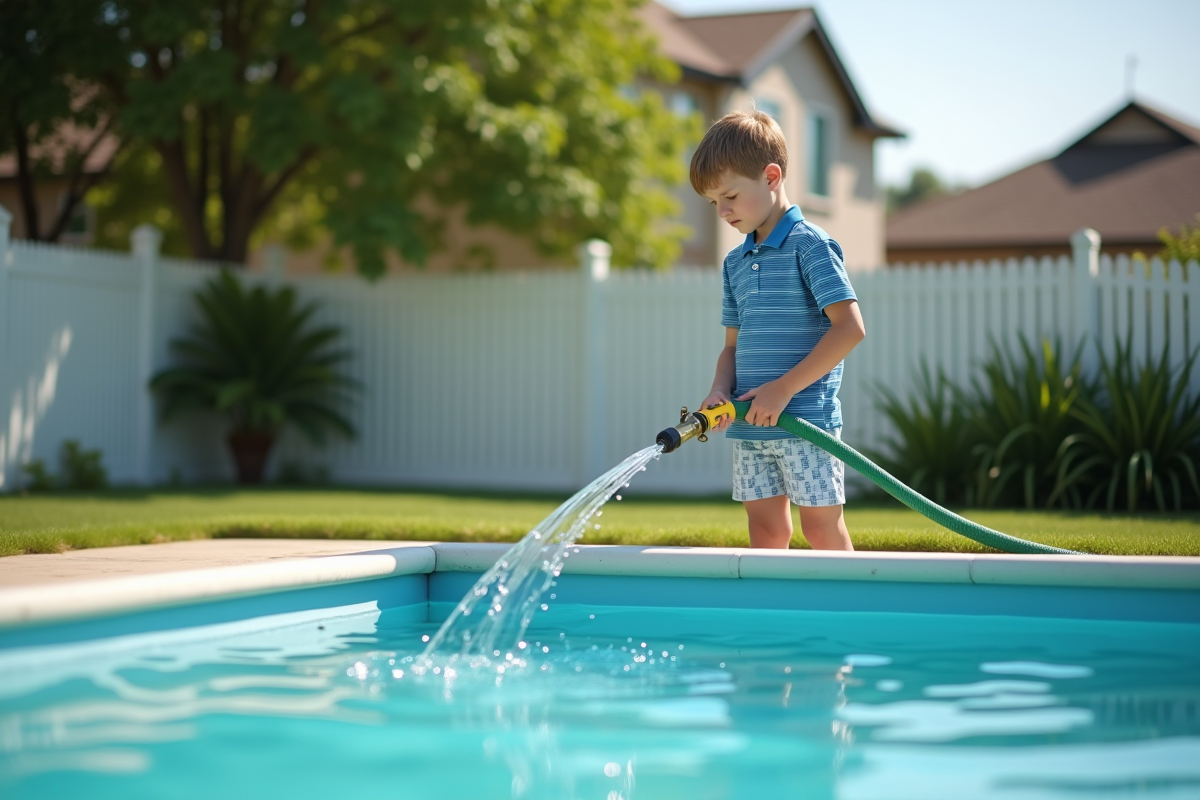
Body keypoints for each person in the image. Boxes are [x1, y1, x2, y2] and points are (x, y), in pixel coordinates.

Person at [693, 110, 865, 551]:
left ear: (771, 177)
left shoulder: (810, 245)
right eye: (715, 203)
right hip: (750, 427)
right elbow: (731, 347)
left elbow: (849, 329)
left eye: (730, 195)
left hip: (805, 420)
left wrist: (783, 389)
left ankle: (852, 617)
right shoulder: (734, 263)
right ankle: (772, 620)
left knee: (822, 529)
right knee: (766, 531)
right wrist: (718, 389)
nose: (723, 211)